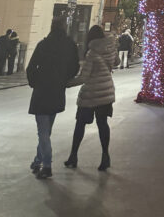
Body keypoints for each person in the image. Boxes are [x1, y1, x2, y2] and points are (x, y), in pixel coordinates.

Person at [26, 17, 80, 179]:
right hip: (57, 91)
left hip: (42, 91)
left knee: (43, 130)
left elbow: (31, 67)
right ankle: (38, 160)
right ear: (65, 27)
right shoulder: (70, 45)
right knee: (46, 129)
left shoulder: (44, 44)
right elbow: (75, 67)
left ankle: (47, 164)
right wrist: (64, 79)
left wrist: (35, 82)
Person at [65, 25, 118, 172]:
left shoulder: (92, 53)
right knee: (102, 124)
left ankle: (73, 155)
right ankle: (105, 155)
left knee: (80, 124)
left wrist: (67, 83)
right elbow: (117, 62)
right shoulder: (110, 49)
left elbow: (84, 77)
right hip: (107, 91)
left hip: (91, 94)